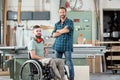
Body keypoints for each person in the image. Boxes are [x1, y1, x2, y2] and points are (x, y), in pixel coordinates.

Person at [52, 7, 74, 80]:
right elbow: (53, 35)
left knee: (69, 63)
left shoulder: (70, 22)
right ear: (59, 13)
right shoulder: (56, 24)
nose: (62, 14)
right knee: (57, 64)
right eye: (60, 12)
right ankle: (59, 78)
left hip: (67, 46)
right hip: (58, 46)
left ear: (65, 12)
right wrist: (62, 31)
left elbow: (67, 30)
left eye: (63, 12)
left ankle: (71, 78)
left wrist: (58, 31)